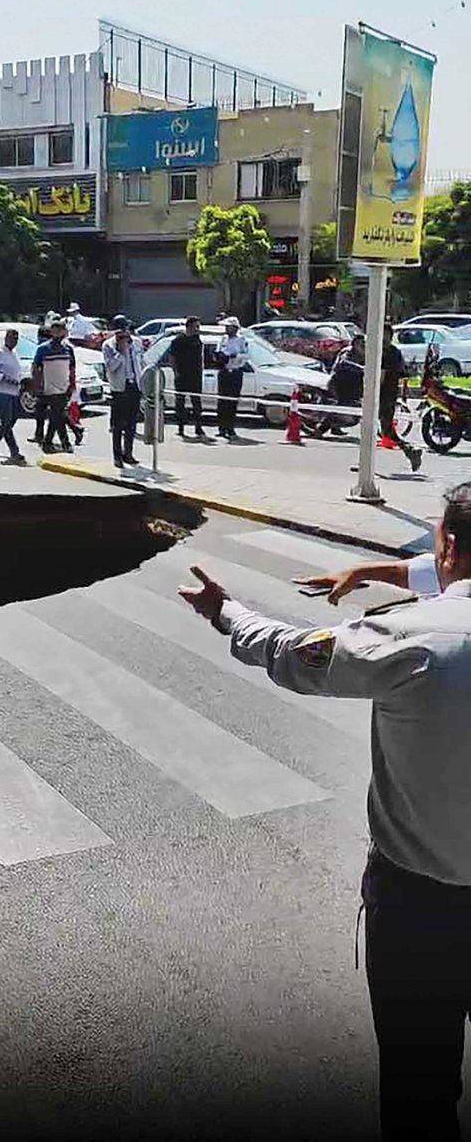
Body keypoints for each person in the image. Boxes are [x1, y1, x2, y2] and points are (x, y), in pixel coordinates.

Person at [179, 481, 471, 1142]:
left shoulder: (406, 636)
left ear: (448, 544)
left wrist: (226, 612)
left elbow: (290, 651)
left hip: (418, 917)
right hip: (416, 909)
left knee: (420, 1096)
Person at [296, 550, 440, 604]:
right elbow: (395, 572)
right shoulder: (438, 571)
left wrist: (356, 574)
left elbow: (394, 572)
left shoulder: (439, 570)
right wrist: (356, 574)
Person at [380, 321, 422, 472]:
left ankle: (411, 449)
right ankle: (410, 450)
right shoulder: (390, 351)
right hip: (388, 393)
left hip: (384, 394)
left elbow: (382, 375)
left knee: (382, 429)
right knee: (383, 430)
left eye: (385, 334)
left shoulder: (388, 353)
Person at [102, 316, 143, 468]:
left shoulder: (136, 342)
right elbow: (111, 367)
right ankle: (117, 455)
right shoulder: (108, 345)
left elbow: (140, 362)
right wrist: (121, 351)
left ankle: (128, 453)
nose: (125, 333)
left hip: (134, 385)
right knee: (118, 424)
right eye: (121, 330)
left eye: (126, 330)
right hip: (119, 387)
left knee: (132, 423)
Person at [32, 318, 76, 453]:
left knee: (57, 415)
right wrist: (37, 386)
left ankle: (53, 442)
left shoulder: (68, 349)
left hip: (63, 388)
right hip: (48, 388)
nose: (58, 334)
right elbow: (36, 368)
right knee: (56, 415)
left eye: (60, 331)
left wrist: (72, 385)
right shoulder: (43, 349)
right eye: (55, 331)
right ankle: (60, 442)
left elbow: (72, 368)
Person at [0, 328, 25, 463]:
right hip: (1, 392)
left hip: (14, 392)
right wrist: (5, 378)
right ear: (6, 338)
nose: (13, 341)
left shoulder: (14, 354)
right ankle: (14, 452)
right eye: (11, 338)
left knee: (12, 420)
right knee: (6, 423)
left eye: (16, 339)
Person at [315, 332, 365, 438]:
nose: (361, 345)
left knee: (351, 405)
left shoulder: (364, 353)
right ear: (354, 343)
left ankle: (335, 428)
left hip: (353, 384)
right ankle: (320, 430)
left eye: (363, 343)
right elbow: (344, 363)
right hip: (339, 382)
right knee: (339, 407)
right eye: (359, 343)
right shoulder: (347, 352)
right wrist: (361, 368)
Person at [170, 316, 205, 438]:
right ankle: (181, 427)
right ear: (189, 326)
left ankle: (198, 427)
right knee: (180, 402)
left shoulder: (197, 339)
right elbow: (172, 358)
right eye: (196, 326)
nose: (198, 329)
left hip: (195, 376)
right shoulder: (178, 340)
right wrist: (176, 372)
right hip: (182, 375)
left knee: (197, 403)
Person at [215, 316, 248, 440]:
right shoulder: (223, 339)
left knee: (232, 401)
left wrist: (235, 356)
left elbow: (246, 355)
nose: (226, 329)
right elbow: (218, 352)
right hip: (224, 372)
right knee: (222, 401)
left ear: (235, 328)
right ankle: (221, 428)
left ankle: (230, 428)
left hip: (235, 372)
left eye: (228, 327)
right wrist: (220, 357)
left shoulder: (241, 340)